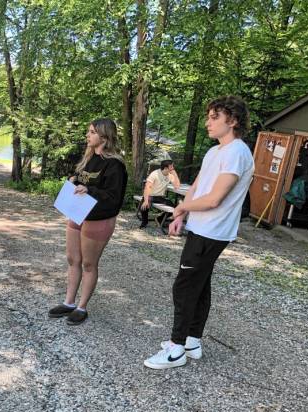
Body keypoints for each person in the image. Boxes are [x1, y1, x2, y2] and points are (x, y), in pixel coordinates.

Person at [144, 96, 254, 369]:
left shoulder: (237, 153)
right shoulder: (215, 152)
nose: (208, 122)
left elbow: (214, 198)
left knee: (184, 287)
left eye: (215, 117)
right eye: (208, 116)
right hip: (201, 227)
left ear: (233, 121)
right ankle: (192, 341)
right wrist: (181, 212)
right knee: (200, 284)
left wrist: (180, 209)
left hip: (214, 231)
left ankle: (175, 349)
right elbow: (197, 188)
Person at [48, 118, 128, 325]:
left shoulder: (115, 165)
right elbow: (81, 179)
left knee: (89, 263)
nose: (88, 135)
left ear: (104, 136)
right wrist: (73, 182)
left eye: (92, 132)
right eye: (89, 131)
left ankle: (82, 307)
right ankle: (69, 303)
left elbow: (113, 198)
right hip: (78, 213)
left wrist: (89, 190)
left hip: (99, 219)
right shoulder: (88, 158)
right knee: (73, 260)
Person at [139, 160, 180, 228]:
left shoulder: (170, 175)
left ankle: (159, 219)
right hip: (150, 195)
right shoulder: (155, 174)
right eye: (171, 166)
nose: (173, 168)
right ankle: (144, 222)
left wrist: (175, 174)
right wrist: (146, 200)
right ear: (166, 168)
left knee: (175, 208)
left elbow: (177, 186)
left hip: (160, 197)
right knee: (144, 206)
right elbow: (147, 187)